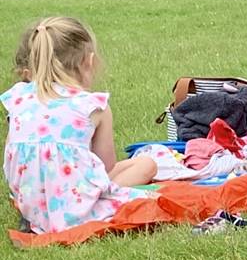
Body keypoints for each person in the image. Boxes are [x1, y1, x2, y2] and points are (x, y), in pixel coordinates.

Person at [3, 17, 157, 235]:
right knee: (146, 165)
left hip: (30, 203)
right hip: (73, 208)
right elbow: (106, 167)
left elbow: (12, 159)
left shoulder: (17, 98)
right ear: (89, 61)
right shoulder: (93, 106)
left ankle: (44, 209)